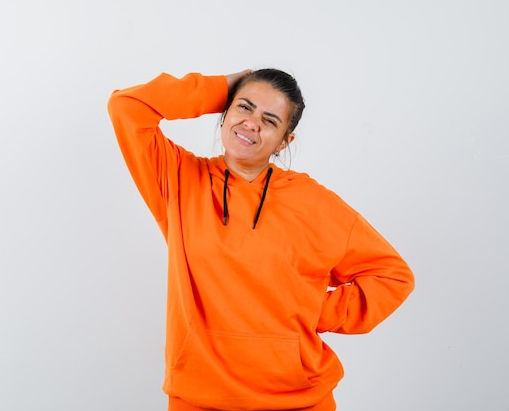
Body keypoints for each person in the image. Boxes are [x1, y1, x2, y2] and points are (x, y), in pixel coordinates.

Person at [107, 69, 415, 411]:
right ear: (224, 112)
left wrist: (314, 310)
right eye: (244, 107)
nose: (251, 123)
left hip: (298, 400)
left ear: (284, 141)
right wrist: (221, 86)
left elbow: (392, 277)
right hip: (198, 397)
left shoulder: (312, 203)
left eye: (269, 120)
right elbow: (127, 107)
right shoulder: (178, 179)